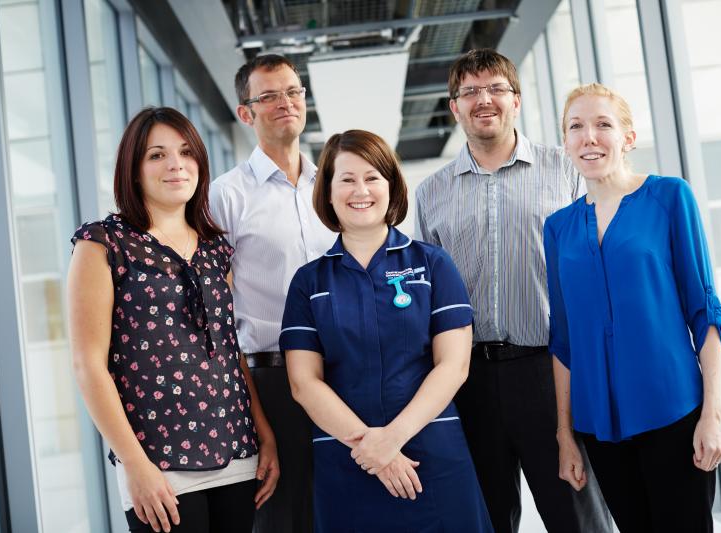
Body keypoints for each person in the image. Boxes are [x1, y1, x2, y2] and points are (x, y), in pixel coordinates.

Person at [415, 49, 611, 532]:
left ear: (516, 100)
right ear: (454, 106)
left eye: (496, 88)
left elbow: (596, 268)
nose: (484, 100)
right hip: (468, 380)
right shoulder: (430, 193)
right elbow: (427, 301)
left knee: (577, 514)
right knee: (484, 518)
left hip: (552, 373)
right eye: (470, 92)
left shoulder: (564, 171)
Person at [69, 107, 279, 533]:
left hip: (236, 449)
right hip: (157, 459)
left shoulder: (216, 249)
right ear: (133, 169)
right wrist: (133, 464)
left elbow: (227, 349)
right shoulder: (103, 244)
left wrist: (264, 432)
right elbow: (88, 365)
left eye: (186, 152)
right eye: (156, 155)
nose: (175, 164)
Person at [280, 129, 493, 532]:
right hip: (347, 457)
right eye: (346, 179)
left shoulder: (432, 265)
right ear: (326, 192)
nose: (360, 190)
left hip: (429, 450)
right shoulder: (308, 282)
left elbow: (453, 365)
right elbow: (304, 383)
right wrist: (370, 447)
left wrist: (392, 439)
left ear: (391, 186)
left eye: (373, 177)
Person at [545, 82, 721, 532]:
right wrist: (565, 436)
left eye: (603, 124)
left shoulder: (669, 197)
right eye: (576, 127)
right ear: (565, 143)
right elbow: (564, 340)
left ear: (627, 137)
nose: (589, 137)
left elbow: (705, 313)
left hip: (674, 411)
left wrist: (713, 415)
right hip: (600, 427)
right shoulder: (558, 228)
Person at [209, 54, 336, 533]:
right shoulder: (225, 196)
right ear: (246, 113)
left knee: (341, 508)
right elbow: (215, 309)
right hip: (271, 380)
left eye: (293, 91)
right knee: (282, 517)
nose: (286, 103)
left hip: (340, 373)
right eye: (269, 96)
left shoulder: (331, 184)